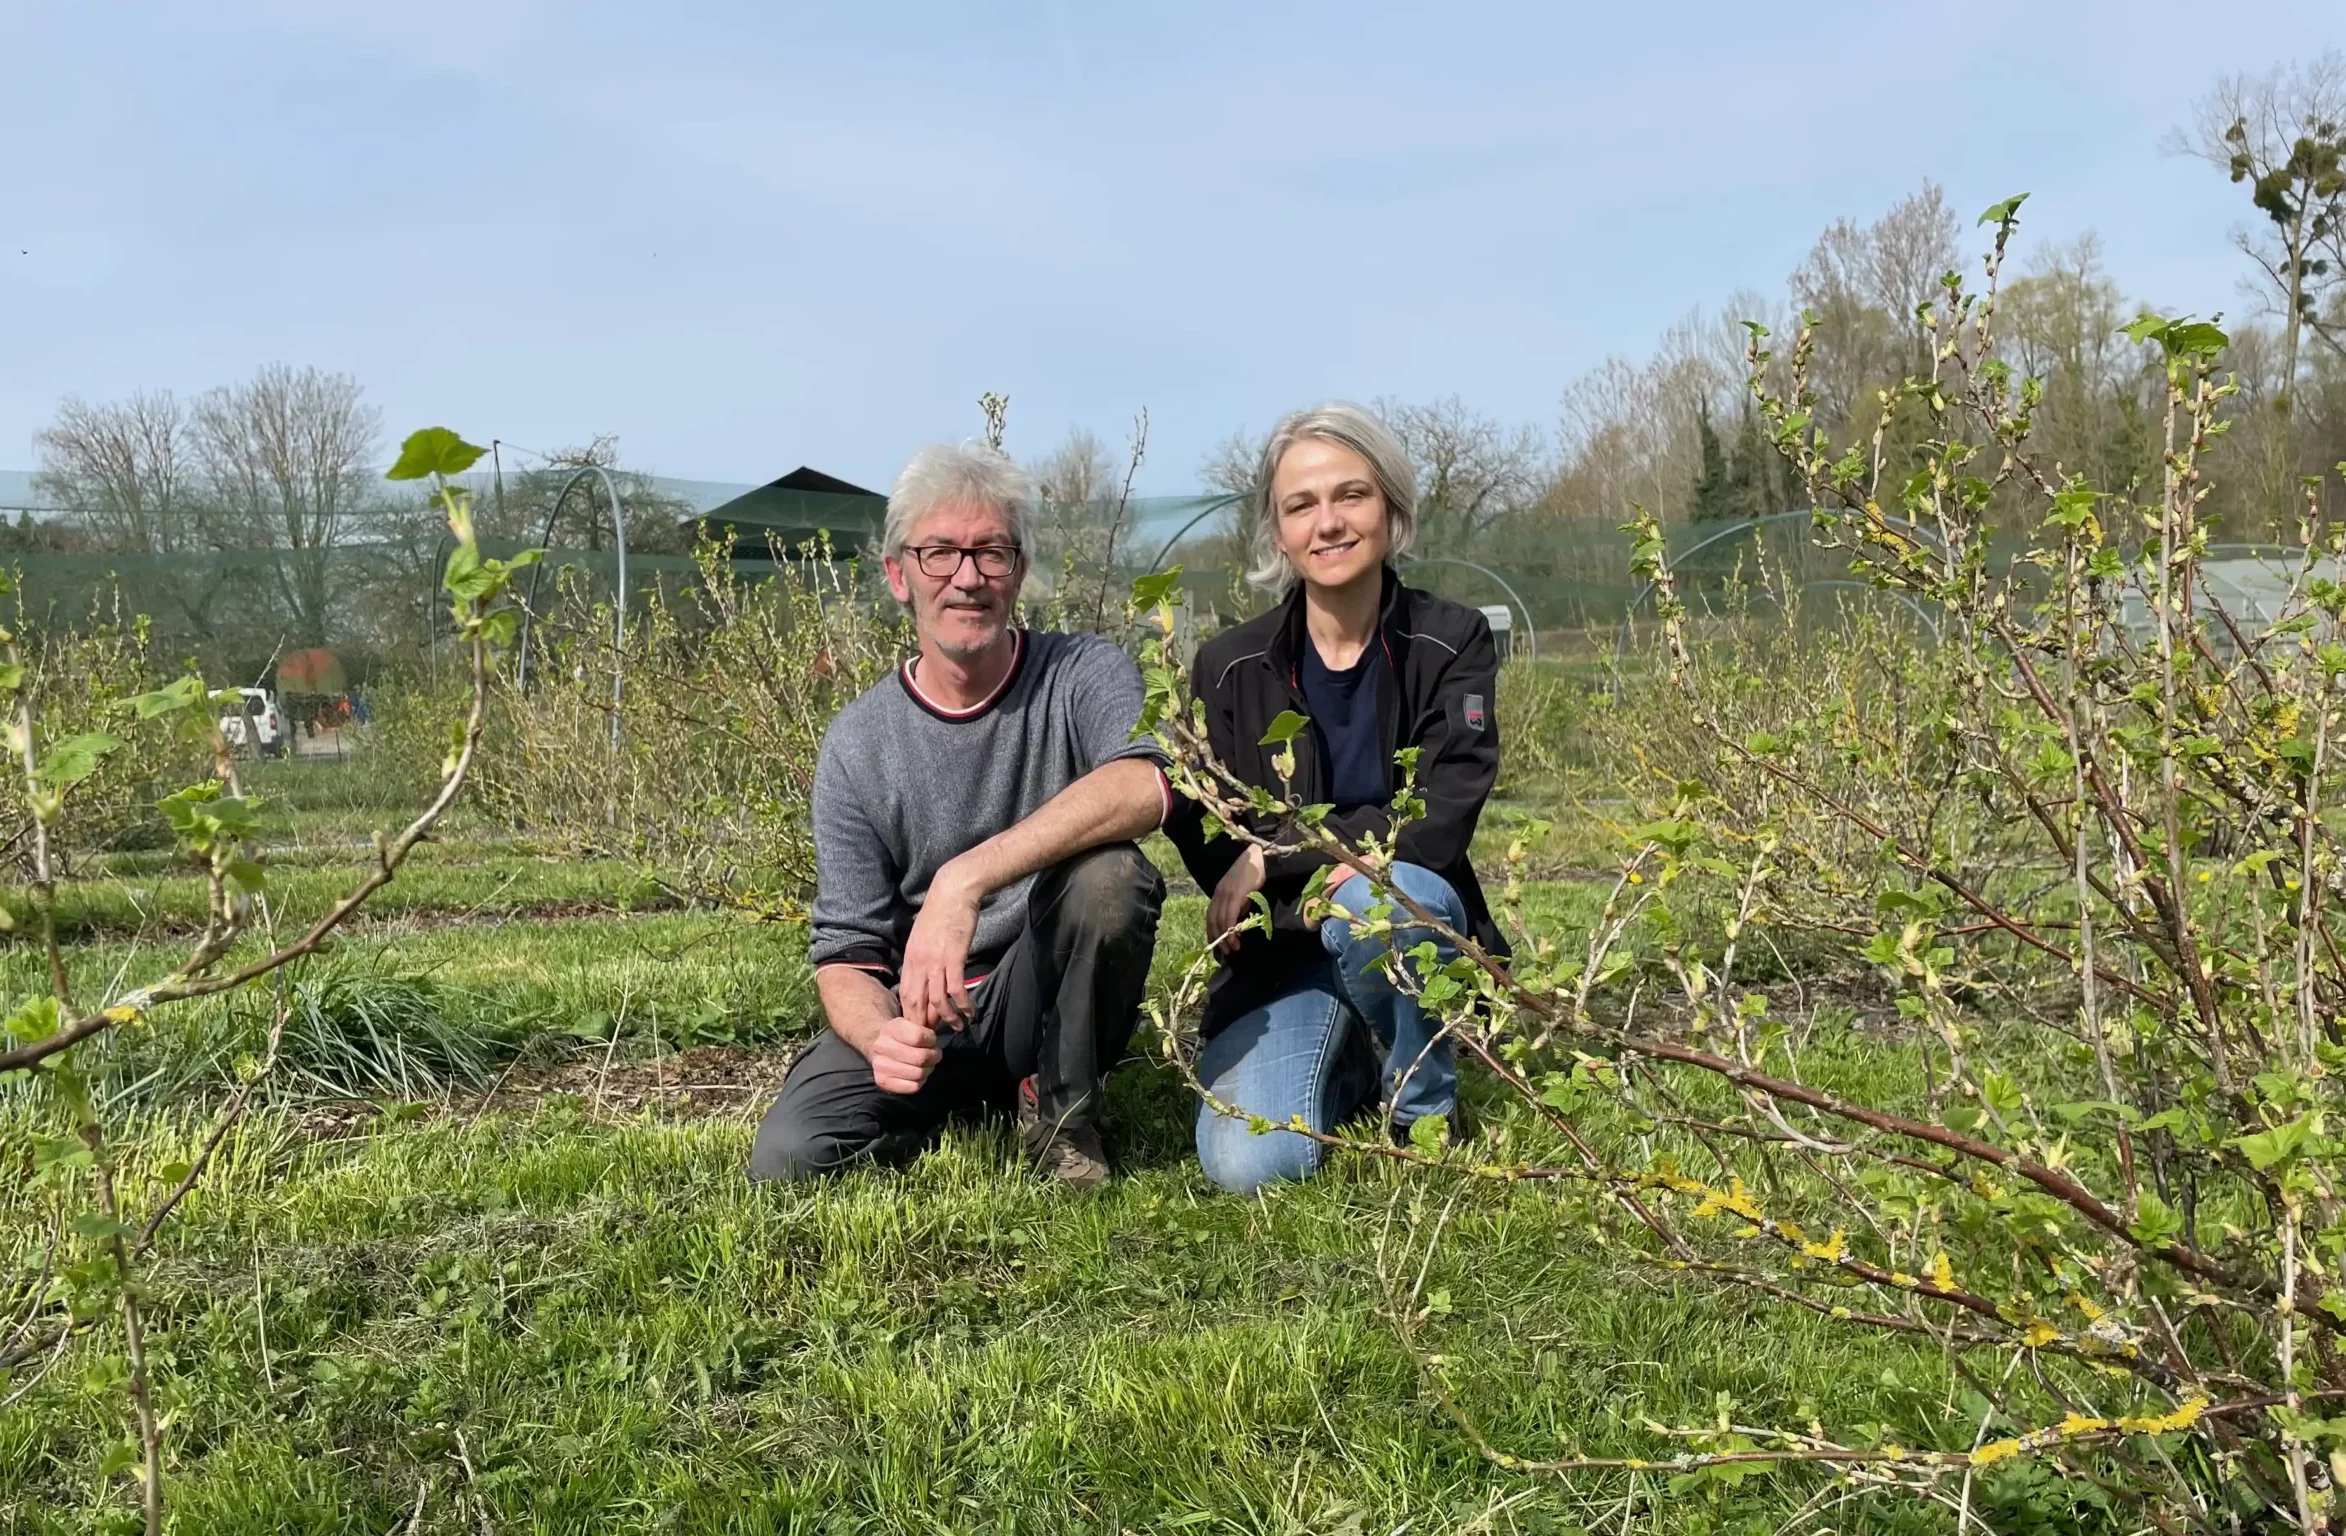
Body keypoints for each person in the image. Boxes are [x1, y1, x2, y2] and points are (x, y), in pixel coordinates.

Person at [748, 442, 1169, 1187]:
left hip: (1031, 993)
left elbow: (1146, 784)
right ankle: (937, 1102)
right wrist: (882, 1037)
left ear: (1020, 572)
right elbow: (845, 950)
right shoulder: (857, 743)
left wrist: (962, 882)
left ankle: (1059, 1110)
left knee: (1111, 878)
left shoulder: (1082, 673)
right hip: (923, 1011)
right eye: (939, 553)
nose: (967, 578)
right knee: (790, 1159)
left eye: (991, 553)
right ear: (897, 576)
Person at [1165, 403, 1505, 1196]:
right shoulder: (1227, 665)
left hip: (1394, 919)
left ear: (1389, 507)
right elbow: (1213, 831)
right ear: (1277, 533)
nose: (1329, 523)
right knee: (1254, 1167)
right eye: (1301, 505)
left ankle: (1421, 1111)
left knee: (1384, 901)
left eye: (1350, 495)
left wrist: (1279, 855)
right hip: (1279, 959)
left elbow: (1440, 812)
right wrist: (1255, 863)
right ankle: (1358, 1044)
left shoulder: (1450, 640)